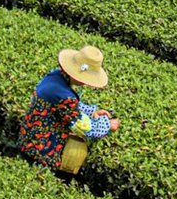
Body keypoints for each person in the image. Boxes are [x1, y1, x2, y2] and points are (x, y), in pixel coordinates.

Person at [18, 45, 118, 173]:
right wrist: (107, 124)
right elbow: (84, 128)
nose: (86, 83)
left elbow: (66, 107)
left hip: (28, 138)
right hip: (42, 149)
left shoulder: (54, 76)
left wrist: (91, 112)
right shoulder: (64, 96)